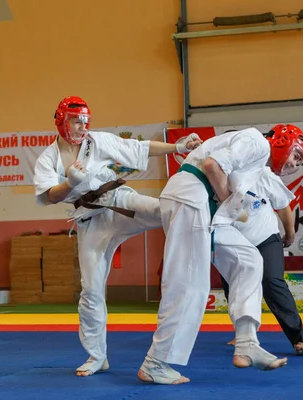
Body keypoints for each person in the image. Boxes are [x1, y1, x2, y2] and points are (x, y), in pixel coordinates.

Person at [33, 96, 202, 377]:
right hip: (89, 222)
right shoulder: (48, 158)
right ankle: (97, 356)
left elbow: (139, 148)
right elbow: (49, 196)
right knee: (91, 290)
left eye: (86, 121)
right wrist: (69, 184)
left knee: (164, 209)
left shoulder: (97, 141)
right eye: (76, 121)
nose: (82, 127)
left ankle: (209, 220)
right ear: (61, 122)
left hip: (117, 202)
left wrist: (178, 146)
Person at [138, 124, 303, 385]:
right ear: (283, 141)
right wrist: (229, 199)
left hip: (203, 207)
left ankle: (246, 343)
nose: (295, 165)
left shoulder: (257, 165)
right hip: (192, 199)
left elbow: (225, 184)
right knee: (189, 285)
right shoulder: (257, 142)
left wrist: (232, 206)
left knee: (250, 261)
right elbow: (212, 166)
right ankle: (155, 363)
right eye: (297, 155)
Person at [216, 129, 303, 354]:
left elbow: (283, 206)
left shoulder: (263, 174)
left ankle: (296, 337)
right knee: (234, 287)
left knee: (272, 282)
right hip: (233, 240)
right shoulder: (216, 173)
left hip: (266, 238)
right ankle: (243, 334)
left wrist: (289, 235)